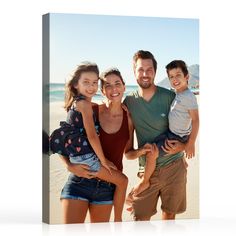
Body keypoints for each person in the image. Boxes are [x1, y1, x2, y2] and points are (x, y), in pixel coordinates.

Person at [50, 63, 128, 222]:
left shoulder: (79, 104)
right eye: (86, 82)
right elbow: (92, 136)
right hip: (84, 164)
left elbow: (64, 138)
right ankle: (118, 221)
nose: (91, 86)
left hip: (91, 171)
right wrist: (103, 161)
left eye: (94, 82)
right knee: (123, 181)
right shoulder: (85, 105)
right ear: (75, 84)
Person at [124, 50, 189, 220]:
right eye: (140, 69)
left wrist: (183, 146)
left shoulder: (169, 97)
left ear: (155, 71)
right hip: (146, 172)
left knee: (169, 218)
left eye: (149, 69)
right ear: (134, 71)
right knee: (140, 221)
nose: (145, 74)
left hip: (174, 167)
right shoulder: (128, 103)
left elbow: (185, 127)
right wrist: (141, 152)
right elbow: (128, 152)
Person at [129, 59, 199, 196]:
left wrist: (190, 143)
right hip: (170, 133)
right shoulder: (178, 94)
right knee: (151, 145)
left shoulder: (188, 96)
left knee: (151, 153)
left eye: (178, 75)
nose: (175, 79)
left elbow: (196, 120)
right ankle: (182, 161)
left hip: (175, 136)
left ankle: (145, 182)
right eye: (171, 77)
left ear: (187, 77)